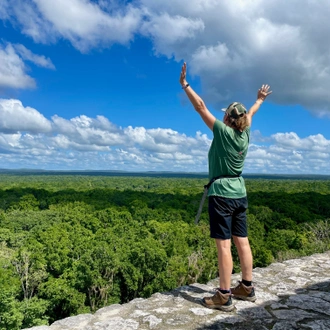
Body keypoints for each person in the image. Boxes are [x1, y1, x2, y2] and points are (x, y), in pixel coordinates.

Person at [179, 62, 272, 311]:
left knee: (224, 245)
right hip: (240, 192)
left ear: (227, 119)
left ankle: (224, 295)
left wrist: (185, 85)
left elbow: (200, 107)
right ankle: (247, 287)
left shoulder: (222, 132)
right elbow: (250, 113)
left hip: (221, 194)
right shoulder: (246, 133)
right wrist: (259, 100)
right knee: (243, 240)